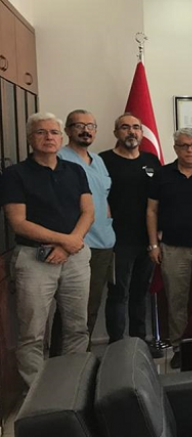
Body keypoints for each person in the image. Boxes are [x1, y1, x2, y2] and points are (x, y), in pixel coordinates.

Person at [0, 112, 93, 389]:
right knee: (32, 334)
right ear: (30, 138)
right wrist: (65, 241)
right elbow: (18, 222)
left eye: (53, 132)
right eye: (41, 132)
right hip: (34, 261)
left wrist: (70, 244)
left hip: (75, 258)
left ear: (61, 138)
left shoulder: (75, 170)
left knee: (77, 327)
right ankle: (38, 395)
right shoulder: (15, 174)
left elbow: (88, 212)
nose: (48, 137)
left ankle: (73, 388)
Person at [147, 127, 192, 368]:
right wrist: (153, 244)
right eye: (184, 146)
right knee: (176, 300)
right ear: (175, 148)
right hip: (172, 249)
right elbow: (151, 211)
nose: (189, 150)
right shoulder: (162, 175)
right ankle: (179, 347)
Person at [100, 113, 161, 345]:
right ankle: (117, 346)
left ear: (142, 133)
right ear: (116, 133)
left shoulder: (151, 160)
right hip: (117, 240)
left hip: (147, 239)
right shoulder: (103, 160)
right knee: (118, 294)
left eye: (136, 127)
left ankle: (139, 344)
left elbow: (160, 198)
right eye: (125, 127)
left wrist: (158, 234)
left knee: (140, 293)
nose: (131, 132)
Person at [55, 109, 115, 345]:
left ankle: (83, 356)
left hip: (102, 241)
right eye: (79, 126)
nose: (86, 130)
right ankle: (61, 361)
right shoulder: (58, 159)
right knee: (70, 310)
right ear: (68, 130)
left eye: (91, 126)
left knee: (91, 305)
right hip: (75, 243)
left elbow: (104, 196)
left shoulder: (98, 160)